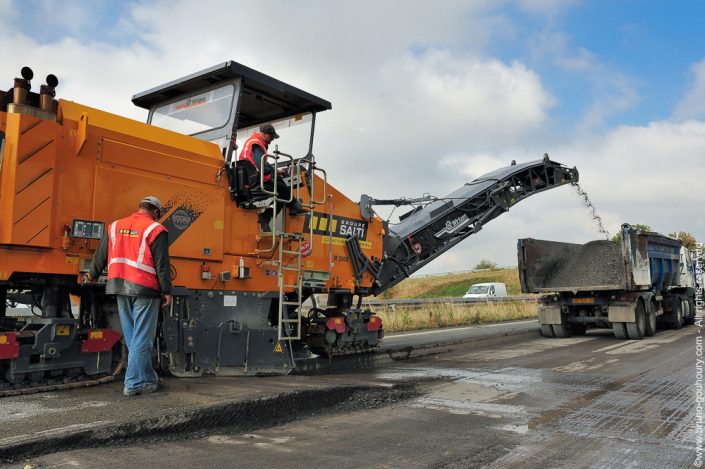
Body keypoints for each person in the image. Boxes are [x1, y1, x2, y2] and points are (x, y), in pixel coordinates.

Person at [88, 196, 172, 397]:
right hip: (144, 288)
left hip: (118, 286)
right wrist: (166, 290)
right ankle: (133, 384)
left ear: (139, 208)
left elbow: (101, 254)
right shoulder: (155, 229)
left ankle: (149, 379)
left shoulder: (115, 226)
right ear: (156, 212)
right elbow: (162, 264)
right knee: (142, 338)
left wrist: (92, 273)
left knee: (134, 337)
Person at [232, 123, 306, 216]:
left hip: (251, 175)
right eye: (271, 137)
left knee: (281, 182)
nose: (272, 140)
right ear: (263, 134)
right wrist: (272, 172)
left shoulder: (255, 142)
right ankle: (269, 215)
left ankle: (294, 206)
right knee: (284, 190)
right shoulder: (256, 144)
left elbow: (263, 164)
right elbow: (261, 166)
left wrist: (276, 171)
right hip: (255, 179)